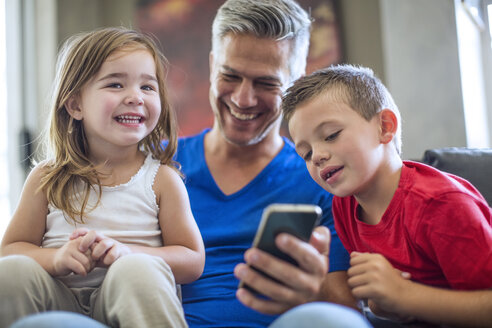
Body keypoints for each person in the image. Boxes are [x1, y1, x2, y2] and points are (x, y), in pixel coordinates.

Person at [0, 27, 205, 328]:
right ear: (75, 105)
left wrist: (127, 253)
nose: (135, 97)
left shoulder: (162, 180)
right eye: (116, 84)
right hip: (57, 303)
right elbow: (10, 249)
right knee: (11, 272)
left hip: (128, 307)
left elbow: (192, 259)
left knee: (136, 269)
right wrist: (56, 259)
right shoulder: (47, 178)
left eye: (147, 87)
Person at [174, 0, 360, 327]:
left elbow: (346, 311)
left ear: (296, 82)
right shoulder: (157, 162)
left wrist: (312, 293)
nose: (244, 99)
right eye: (230, 76)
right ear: (212, 64)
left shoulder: (324, 178)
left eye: (266, 83)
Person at [283, 64, 492, 327]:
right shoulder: (343, 206)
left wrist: (406, 296)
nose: (318, 156)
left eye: (331, 135)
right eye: (306, 153)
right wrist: (387, 304)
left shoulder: (442, 204)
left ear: (384, 126)